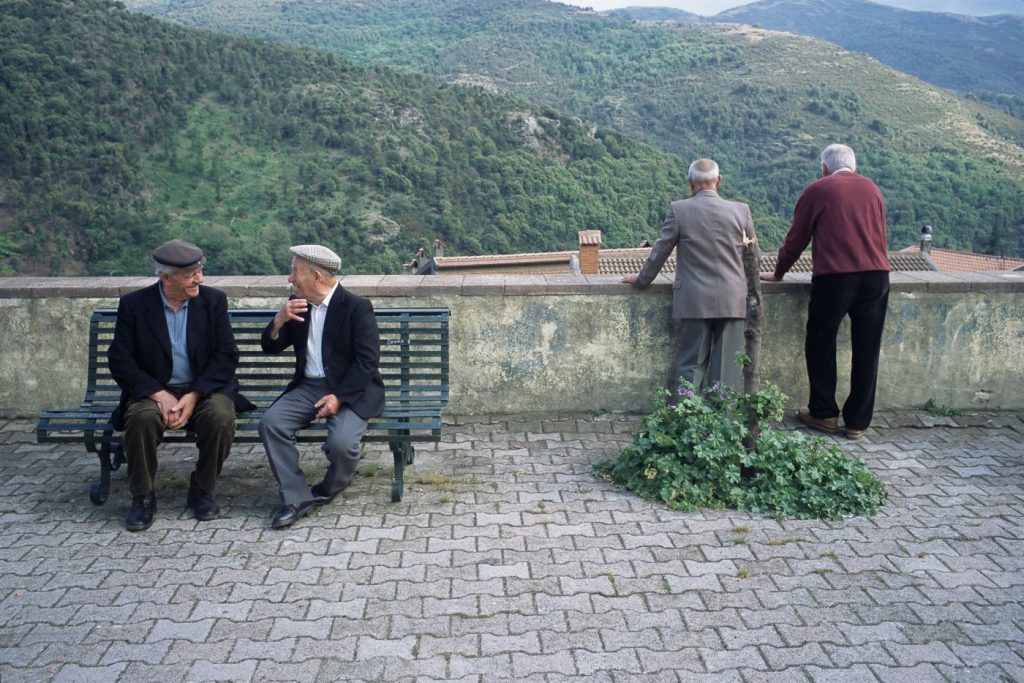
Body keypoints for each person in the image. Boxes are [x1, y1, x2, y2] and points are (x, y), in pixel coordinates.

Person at [108, 239, 253, 531]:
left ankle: (202, 488)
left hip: (204, 387)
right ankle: (142, 495)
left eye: (200, 271)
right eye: (191, 275)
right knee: (141, 418)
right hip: (154, 388)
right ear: (166, 278)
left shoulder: (213, 301)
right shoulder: (134, 305)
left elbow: (227, 355)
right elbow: (120, 359)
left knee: (221, 417)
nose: (200, 278)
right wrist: (158, 394)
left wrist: (194, 394)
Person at [761, 143, 891, 440]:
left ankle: (824, 413)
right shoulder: (872, 189)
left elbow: (797, 238)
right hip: (877, 277)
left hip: (836, 278)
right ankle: (857, 421)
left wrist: (779, 271)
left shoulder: (818, 190)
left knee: (820, 343)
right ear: (855, 167)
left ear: (824, 168)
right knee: (867, 350)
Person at [258, 245, 385, 529]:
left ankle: (329, 489)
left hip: (351, 390)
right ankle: (296, 497)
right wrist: (279, 320)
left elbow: (367, 362)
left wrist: (339, 398)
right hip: (308, 386)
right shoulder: (298, 303)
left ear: (316, 277)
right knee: (271, 423)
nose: (290, 279)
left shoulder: (355, 307)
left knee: (341, 444)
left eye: (295, 272)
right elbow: (270, 346)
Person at [622, 158, 757, 393]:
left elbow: (660, 251)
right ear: (719, 181)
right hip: (733, 298)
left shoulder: (679, 210)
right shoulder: (741, 210)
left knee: (691, 365)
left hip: (694, 298)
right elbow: (753, 256)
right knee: (727, 369)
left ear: (690, 183)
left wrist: (641, 280)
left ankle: (685, 419)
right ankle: (722, 424)